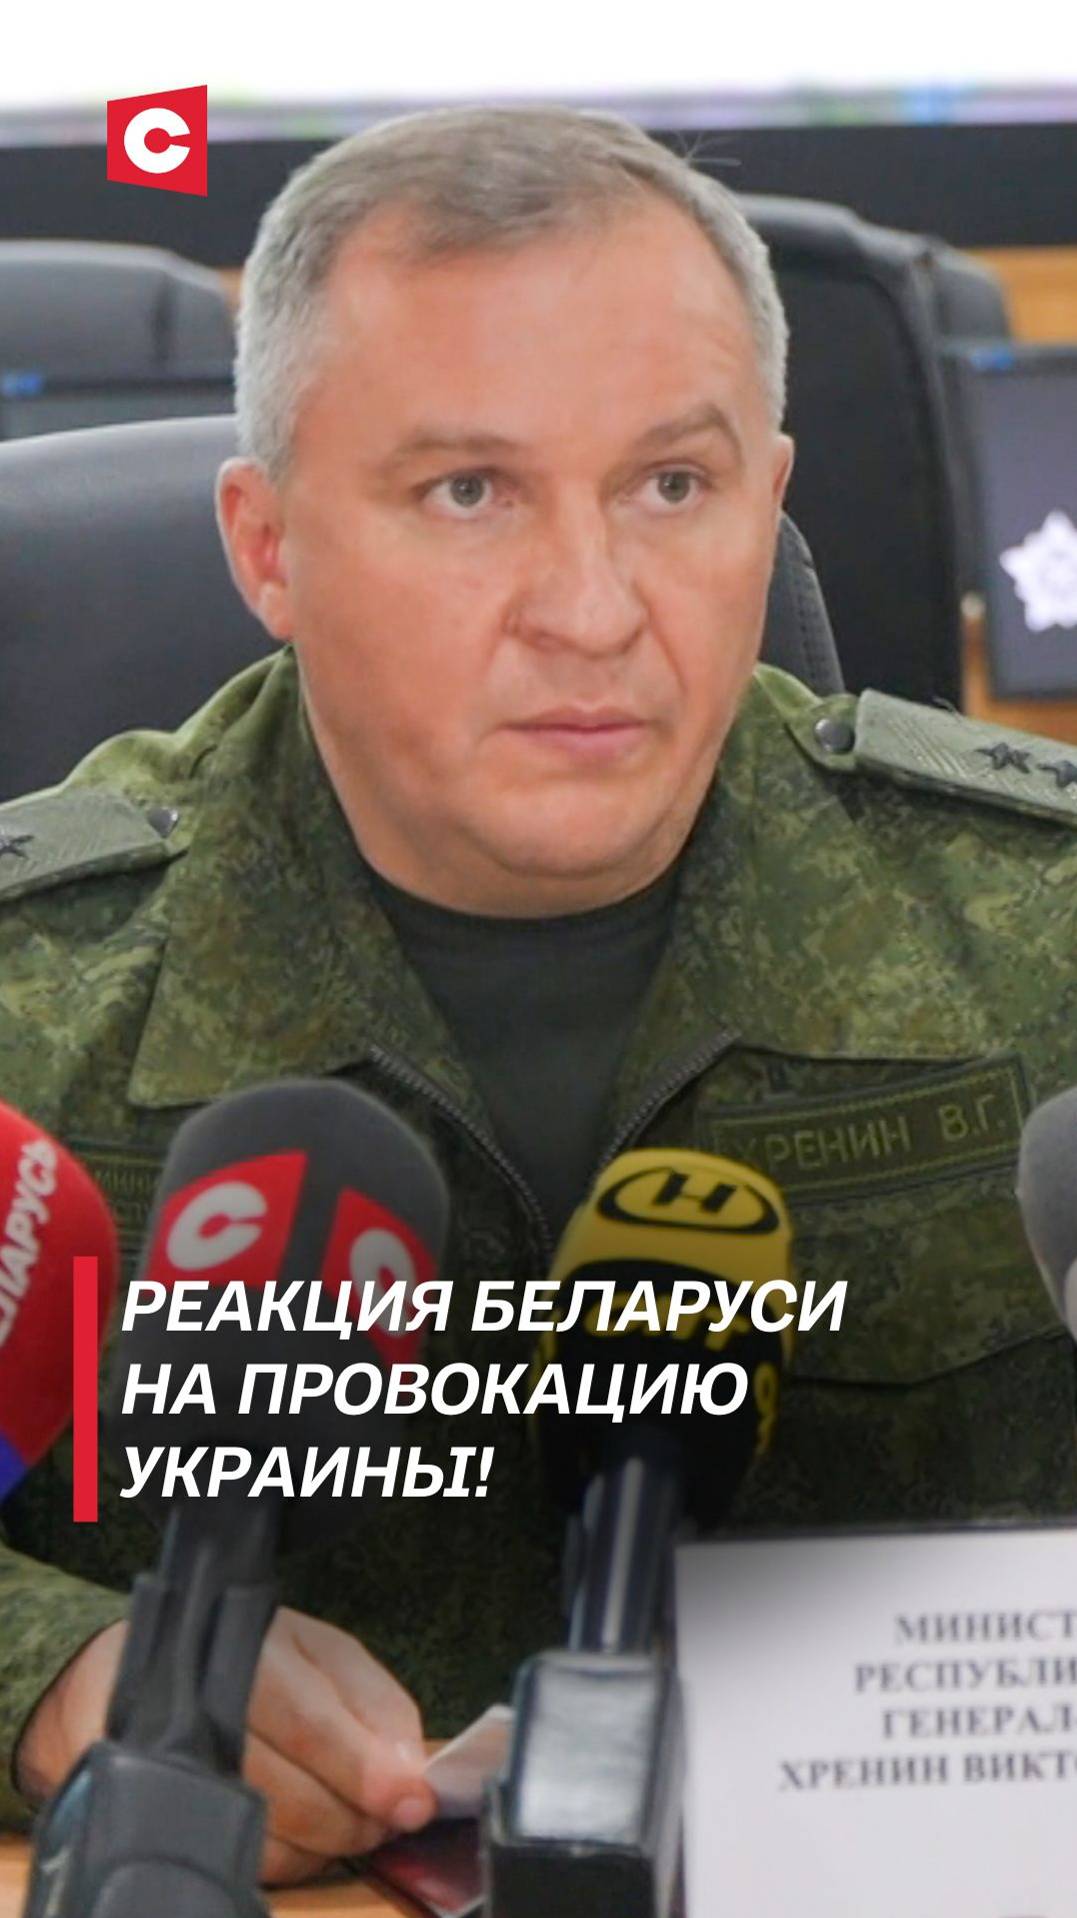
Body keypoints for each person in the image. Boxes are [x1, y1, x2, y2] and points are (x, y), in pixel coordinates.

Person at [2, 103, 1077, 1887]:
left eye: (671, 487)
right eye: (468, 493)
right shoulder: (31, 995)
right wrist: (55, 1673)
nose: (591, 607)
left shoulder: (1045, 930)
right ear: (267, 546)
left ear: (768, 506)